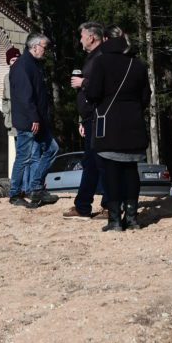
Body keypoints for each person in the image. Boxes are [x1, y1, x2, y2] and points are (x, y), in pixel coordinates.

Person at [83, 26, 150, 232]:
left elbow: (93, 93)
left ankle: (114, 220)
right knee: (131, 172)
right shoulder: (138, 65)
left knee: (111, 172)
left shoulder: (101, 62)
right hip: (134, 126)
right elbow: (146, 98)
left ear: (105, 39)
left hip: (109, 126)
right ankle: (131, 218)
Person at [63, 21, 108, 220]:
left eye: (82, 36)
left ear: (91, 37)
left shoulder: (101, 57)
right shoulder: (92, 58)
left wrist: (84, 83)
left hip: (100, 117)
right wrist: (82, 119)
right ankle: (83, 206)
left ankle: (108, 205)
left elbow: (105, 85)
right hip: (90, 118)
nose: (80, 40)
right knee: (90, 161)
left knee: (101, 161)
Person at [8, 33, 60, 208]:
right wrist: (34, 118)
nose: (45, 51)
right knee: (24, 157)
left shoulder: (34, 65)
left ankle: (36, 186)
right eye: (44, 47)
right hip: (29, 121)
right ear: (35, 46)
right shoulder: (22, 66)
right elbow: (25, 96)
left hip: (37, 119)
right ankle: (15, 193)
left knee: (52, 149)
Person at [0, 47, 22, 186]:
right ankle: (17, 185)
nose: (15, 62)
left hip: (25, 120)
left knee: (26, 154)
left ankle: (22, 184)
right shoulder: (6, 78)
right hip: (13, 122)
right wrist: (7, 115)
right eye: (12, 60)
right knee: (19, 154)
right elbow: (5, 99)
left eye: (17, 59)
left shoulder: (24, 74)